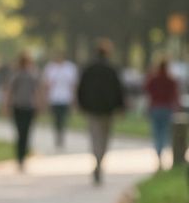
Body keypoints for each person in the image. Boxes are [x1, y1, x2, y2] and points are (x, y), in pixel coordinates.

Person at [77, 40, 126, 185]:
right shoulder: (112, 69)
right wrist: (120, 107)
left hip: (92, 109)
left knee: (95, 137)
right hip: (107, 109)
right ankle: (100, 159)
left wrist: (82, 105)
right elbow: (119, 90)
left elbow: (81, 88)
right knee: (105, 138)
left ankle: (96, 158)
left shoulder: (89, 69)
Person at [3, 52, 43, 171]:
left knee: (25, 133)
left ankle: (22, 157)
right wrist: (6, 105)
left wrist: (39, 104)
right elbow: (9, 91)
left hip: (28, 107)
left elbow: (37, 91)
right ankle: (20, 157)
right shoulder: (17, 76)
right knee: (21, 133)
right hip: (19, 106)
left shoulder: (32, 75)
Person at [144, 59, 180, 169]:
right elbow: (175, 95)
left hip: (155, 108)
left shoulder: (154, 79)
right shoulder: (170, 80)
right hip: (166, 108)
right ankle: (160, 153)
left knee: (156, 132)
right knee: (164, 133)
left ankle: (159, 153)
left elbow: (147, 90)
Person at [41, 52, 78, 150]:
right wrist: (45, 98)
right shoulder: (50, 68)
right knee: (56, 119)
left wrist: (74, 100)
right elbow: (46, 84)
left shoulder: (70, 68)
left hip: (66, 98)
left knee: (63, 118)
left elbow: (73, 85)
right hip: (54, 98)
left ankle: (61, 135)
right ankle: (58, 135)